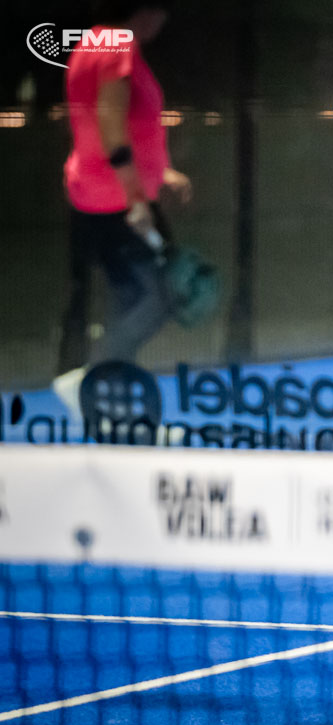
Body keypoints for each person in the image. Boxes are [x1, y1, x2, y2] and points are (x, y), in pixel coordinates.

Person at [54, 0, 191, 416]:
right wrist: (135, 196)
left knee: (131, 299)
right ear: (147, 11)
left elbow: (108, 125)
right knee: (162, 296)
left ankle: (114, 408)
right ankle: (91, 380)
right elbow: (111, 125)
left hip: (100, 193)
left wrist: (160, 172)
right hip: (118, 200)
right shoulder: (117, 45)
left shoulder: (95, 41)